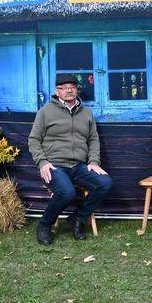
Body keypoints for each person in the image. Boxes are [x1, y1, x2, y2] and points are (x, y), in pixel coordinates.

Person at [28, 74, 113, 245]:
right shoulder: (45, 112)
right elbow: (33, 140)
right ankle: (44, 225)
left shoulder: (86, 113)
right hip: (55, 165)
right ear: (57, 91)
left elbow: (93, 139)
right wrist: (42, 162)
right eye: (64, 87)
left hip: (80, 166)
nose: (69, 90)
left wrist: (94, 162)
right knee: (67, 193)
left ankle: (78, 218)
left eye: (72, 87)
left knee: (105, 183)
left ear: (77, 90)